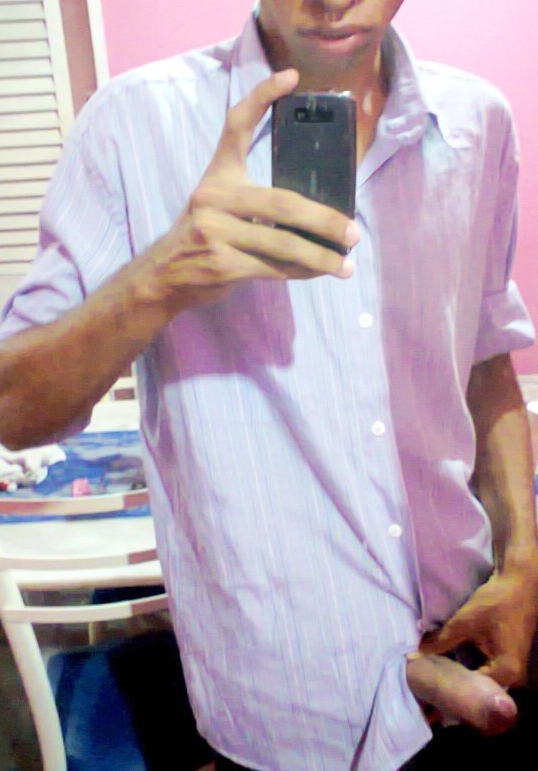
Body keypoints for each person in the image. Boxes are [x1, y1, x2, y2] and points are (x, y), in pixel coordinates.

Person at [0, 0, 537, 768]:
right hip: (284, 707)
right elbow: (13, 410)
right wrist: (163, 276)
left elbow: (487, 359)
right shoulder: (134, 124)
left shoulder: (477, 122)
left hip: (470, 644)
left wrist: (522, 564)